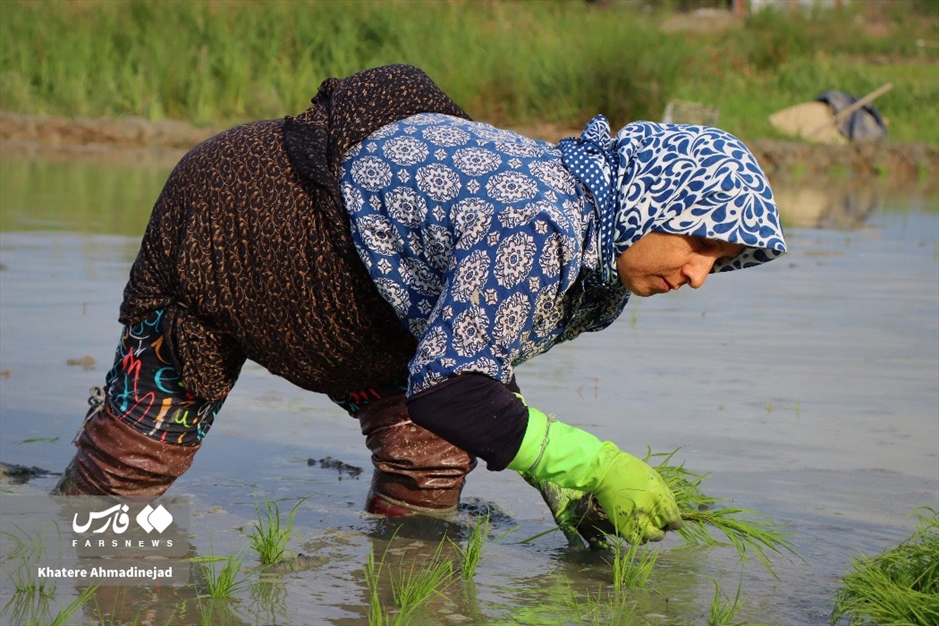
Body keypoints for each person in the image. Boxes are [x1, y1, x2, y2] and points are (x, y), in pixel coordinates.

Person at [53, 64, 786, 548]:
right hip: (241, 210)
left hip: (368, 281)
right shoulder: (538, 220)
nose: (695, 276)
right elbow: (450, 386)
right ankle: (79, 563)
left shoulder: (595, 270)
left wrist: (555, 477)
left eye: (718, 265)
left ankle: (402, 585)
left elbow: (471, 354)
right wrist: (584, 462)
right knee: (136, 457)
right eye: (696, 244)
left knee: (431, 455)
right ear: (647, 204)